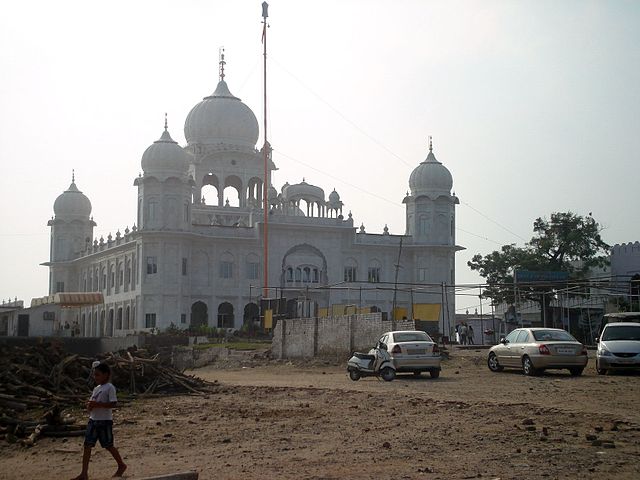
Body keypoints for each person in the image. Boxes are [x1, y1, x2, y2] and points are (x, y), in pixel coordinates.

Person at [72, 363, 127, 480]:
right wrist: (90, 406)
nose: (95, 377)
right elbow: (92, 403)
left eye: (98, 375)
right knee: (87, 445)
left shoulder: (110, 387)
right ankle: (84, 473)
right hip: (93, 420)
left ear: (105, 375)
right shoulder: (96, 389)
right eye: (94, 375)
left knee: (108, 445)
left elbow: (113, 403)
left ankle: (121, 465)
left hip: (104, 421)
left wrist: (97, 404)